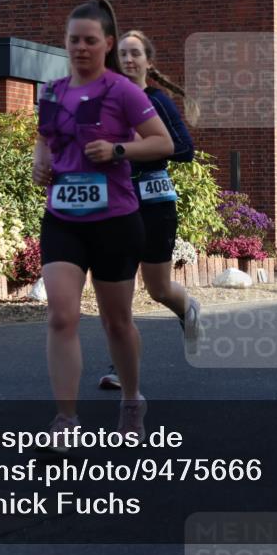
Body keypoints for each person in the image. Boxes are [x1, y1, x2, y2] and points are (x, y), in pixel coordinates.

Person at [33, 0, 173, 446]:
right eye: (73, 40)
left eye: (90, 40)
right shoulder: (53, 92)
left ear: (107, 43)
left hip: (115, 219)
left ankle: (132, 399)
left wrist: (118, 151)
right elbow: (44, 139)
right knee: (61, 315)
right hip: (63, 218)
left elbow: (163, 143)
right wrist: (40, 164)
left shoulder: (124, 91)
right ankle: (66, 419)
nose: (80, 48)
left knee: (116, 322)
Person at [97, 29, 200, 390]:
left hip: (155, 200)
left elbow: (185, 150)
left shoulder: (158, 100)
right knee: (119, 288)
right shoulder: (107, 98)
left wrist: (142, 145)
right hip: (116, 202)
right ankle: (119, 365)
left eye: (134, 53)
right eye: (122, 53)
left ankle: (187, 308)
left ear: (148, 62)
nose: (127, 59)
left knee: (158, 289)